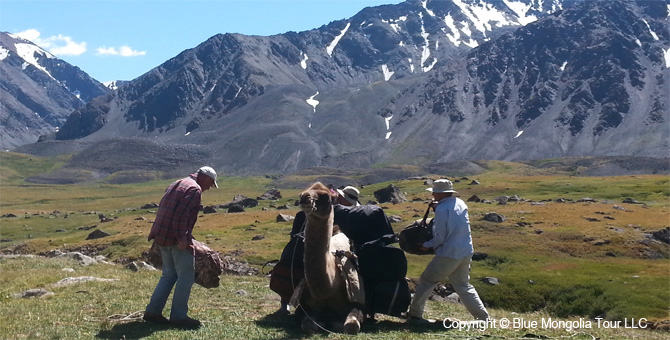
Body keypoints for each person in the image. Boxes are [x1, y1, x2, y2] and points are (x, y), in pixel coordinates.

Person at [143, 166, 218, 329]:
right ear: (205, 179)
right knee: (186, 276)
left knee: (169, 275)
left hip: (162, 236)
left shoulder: (177, 183)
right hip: (175, 239)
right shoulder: (194, 190)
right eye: (210, 184)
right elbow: (181, 216)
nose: (209, 188)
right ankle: (178, 317)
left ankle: (153, 312)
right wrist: (183, 238)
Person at [407, 179, 489, 325]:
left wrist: (427, 245)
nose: (432, 194)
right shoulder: (460, 203)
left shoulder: (442, 210)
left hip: (448, 253)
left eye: (434, 192)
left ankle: (415, 314)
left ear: (440, 194)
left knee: (427, 280)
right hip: (465, 250)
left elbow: (440, 236)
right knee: (463, 285)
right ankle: (483, 317)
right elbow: (452, 218)